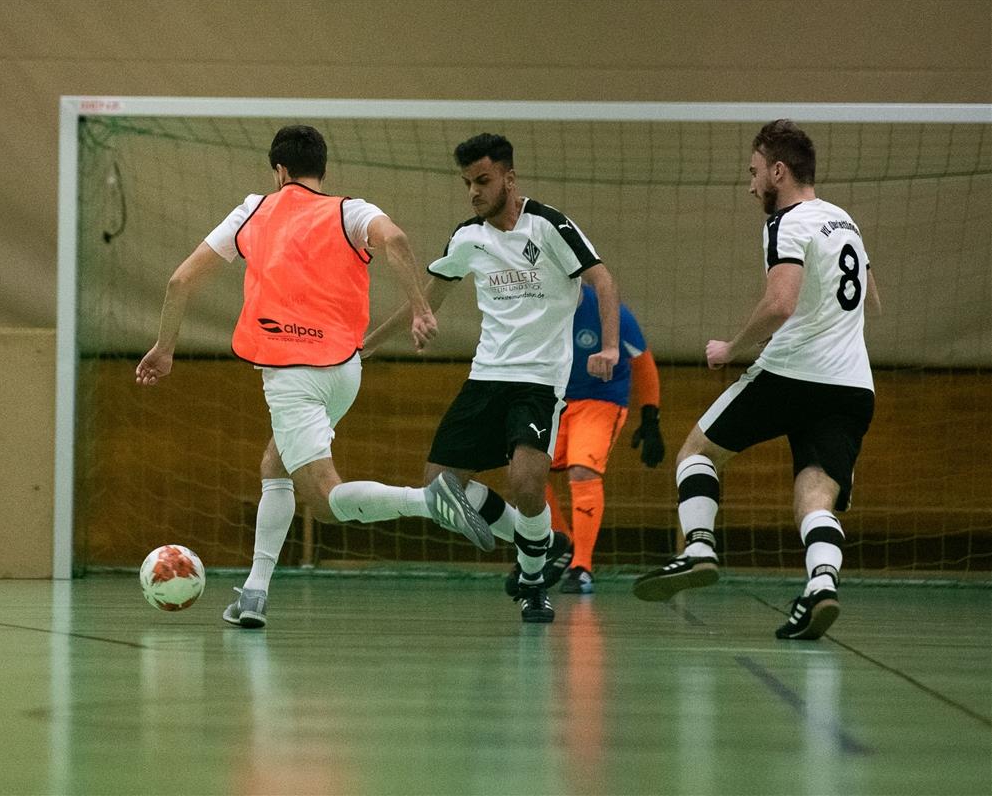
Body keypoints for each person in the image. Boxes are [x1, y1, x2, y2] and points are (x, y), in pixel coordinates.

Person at [135, 125, 493, 630]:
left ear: (279, 170)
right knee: (274, 464)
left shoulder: (253, 211)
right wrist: (417, 307)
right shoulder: (352, 210)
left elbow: (180, 280)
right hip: (346, 370)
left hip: (291, 374)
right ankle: (254, 594)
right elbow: (396, 240)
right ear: (320, 170)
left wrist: (165, 348)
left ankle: (427, 501)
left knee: (325, 500)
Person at [631, 119, 879, 641]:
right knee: (816, 496)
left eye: (754, 172)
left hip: (793, 374)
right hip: (854, 384)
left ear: (779, 172)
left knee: (697, 453)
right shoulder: (843, 220)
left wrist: (732, 347)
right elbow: (870, 301)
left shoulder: (786, 223)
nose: (750, 185)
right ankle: (820, 588)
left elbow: (781, 302)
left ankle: (697, 548)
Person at [367, 133, 621, 623]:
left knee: (526, 483)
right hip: (486, 376)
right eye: (467, 183)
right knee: (439, 487)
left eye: (482, 181)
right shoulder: (467, 237)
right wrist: (370, 344)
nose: (474, 192)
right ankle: (548, 543)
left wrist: (610, 347)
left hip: (539, 380)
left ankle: (531, 581)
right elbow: (429, 296)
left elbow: (603, 279)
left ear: (508, 177)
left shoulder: (549, 226)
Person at [544, 284, 665, 594]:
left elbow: (643, 363)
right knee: (525, 468)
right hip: (555, 398)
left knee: (582, 471)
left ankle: (581, 566)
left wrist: (651, 419)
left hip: (601, 399)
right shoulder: (539, 307)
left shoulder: (612, 313)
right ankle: (563, 543)